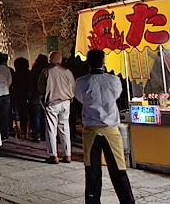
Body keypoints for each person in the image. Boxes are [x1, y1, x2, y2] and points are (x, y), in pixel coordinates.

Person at [75, 49, 135, 204]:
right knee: (118, 169)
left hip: (91, 129)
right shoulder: (114, 80)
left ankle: (93, 201)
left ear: (87, 62)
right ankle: (127, 201)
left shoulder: (82, 81)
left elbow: (80, 99)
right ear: (103, 62)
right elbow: (116, 95)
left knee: (92, 170)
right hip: (111, 129)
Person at [38, 51, 76, 164]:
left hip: (52, 103)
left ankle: (53, 155)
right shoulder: (68, 72)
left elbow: (40, 88)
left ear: (49, 61)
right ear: (61, 60)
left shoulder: (46, 72)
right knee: (65, 128)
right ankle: (67, 154)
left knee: (51, 128)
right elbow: (73, 87)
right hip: (65, 102)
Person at [0, 51, 12, 141]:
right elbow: (10, 80)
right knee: (5, 114)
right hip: (6, 93)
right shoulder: (6, 68)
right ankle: (5, 133)